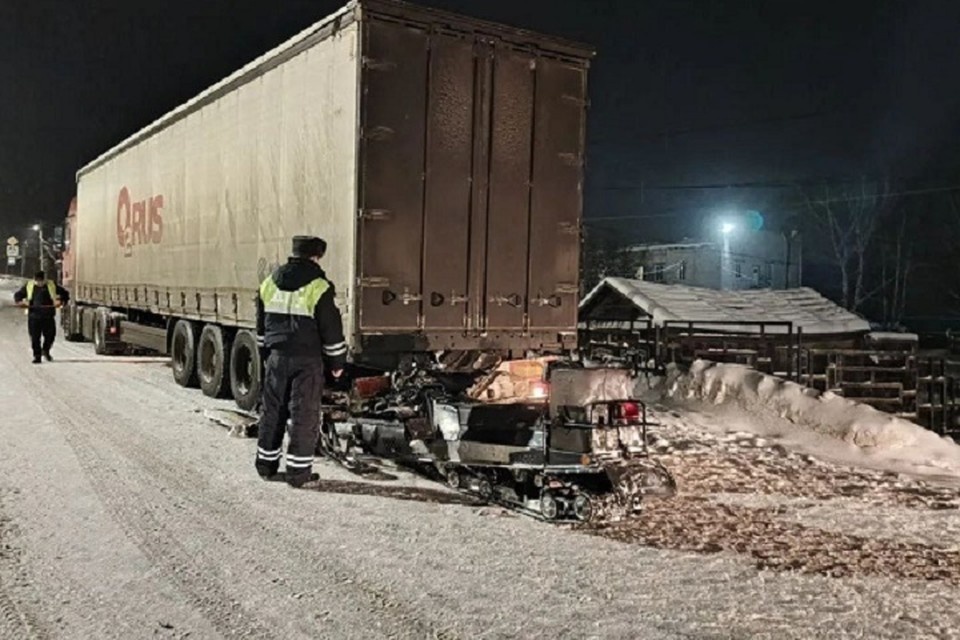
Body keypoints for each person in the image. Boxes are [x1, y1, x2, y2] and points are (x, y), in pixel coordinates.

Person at [254, 236, 346, 488]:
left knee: (272, 411)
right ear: (316, 256)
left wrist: (267, 356)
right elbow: (331, 330)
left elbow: (261, 329)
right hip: (307, 361)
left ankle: (266, 466)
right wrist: (337, 363)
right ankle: (298, 474)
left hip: (276, 358)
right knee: (303, 415)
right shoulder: (320, 286)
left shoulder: (269, 282)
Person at [14, 271, 70, 364]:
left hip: (48, 316)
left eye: (41, 280)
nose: (39, 282)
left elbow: (65, 294)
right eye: (37, 280)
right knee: (35, 338)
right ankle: (37, 356)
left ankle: (46, 350)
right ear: (34, 279)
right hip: (34, 316)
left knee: (50, 336)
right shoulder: (29, 285)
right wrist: (20, 302)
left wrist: (61, 301)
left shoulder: (51, 285)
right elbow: (18, 295)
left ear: (44, 279)